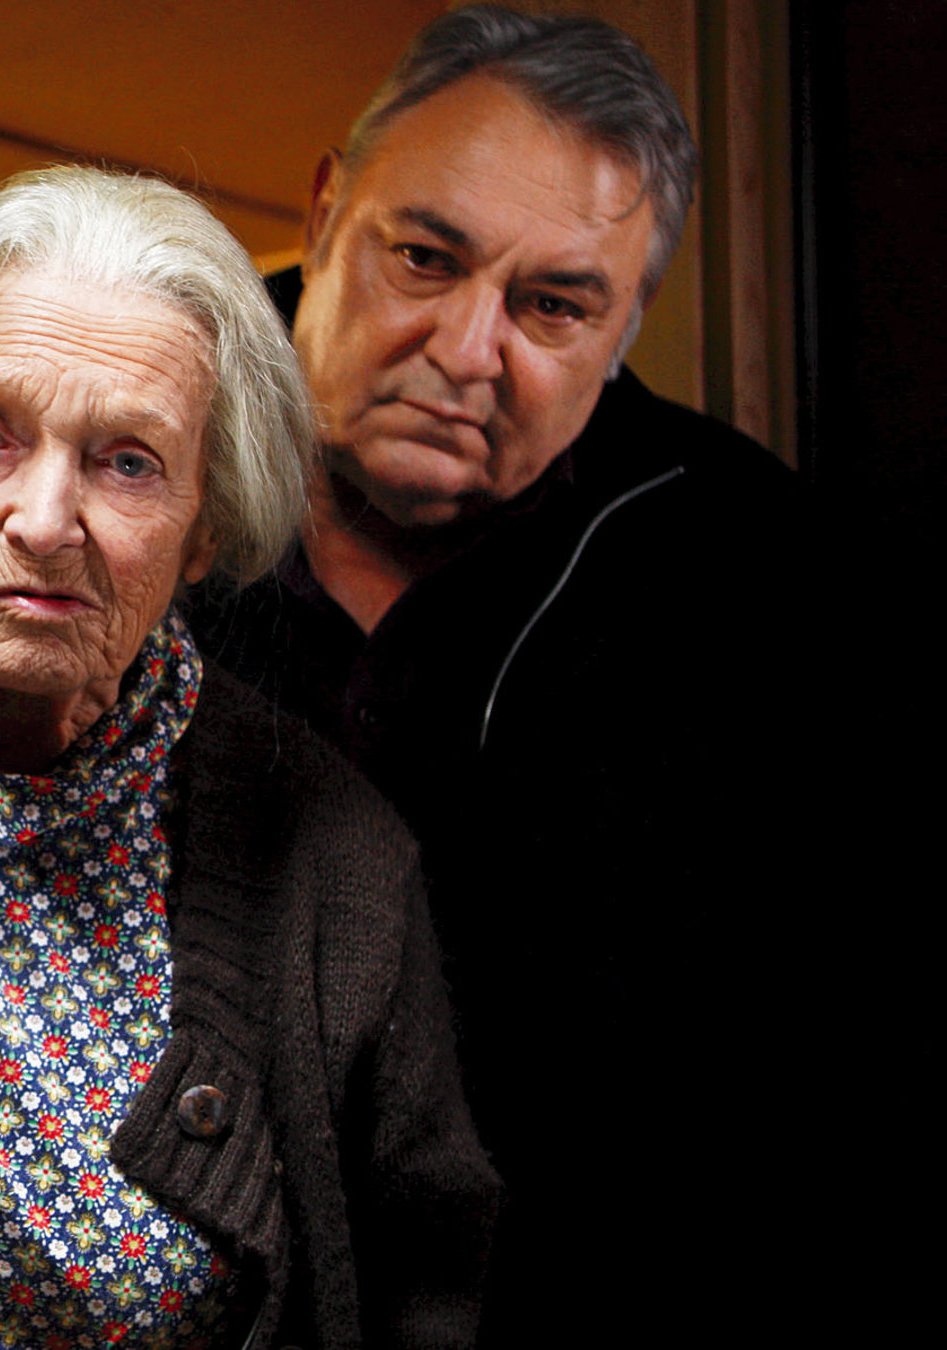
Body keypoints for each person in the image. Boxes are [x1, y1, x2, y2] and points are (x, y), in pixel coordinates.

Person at [0, 166, 497, 1350]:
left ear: (208, 519)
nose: (45, 520)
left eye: (125, 462)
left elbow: (427, 1290)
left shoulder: (334, 867)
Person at [184, 9, 805, 1345]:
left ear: (626, 319)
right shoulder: (116, 450)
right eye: (423, 257)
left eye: (550, 305)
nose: (465, 351)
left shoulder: (750, 571)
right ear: (324, 202)